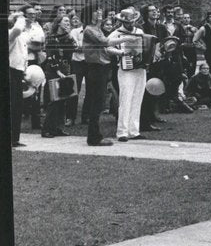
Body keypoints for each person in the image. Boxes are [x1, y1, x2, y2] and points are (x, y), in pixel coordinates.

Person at [107, 8, 153, 142]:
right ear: (122, 21)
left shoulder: (139, 32)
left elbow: (146, 47)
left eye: (133, 21)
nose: (131, 24)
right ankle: (122, 132)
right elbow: (107, 47)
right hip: (125, 67)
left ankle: (134, 130)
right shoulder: (116, 33)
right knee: (125, 98)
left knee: (138, 98)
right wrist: (121, 53)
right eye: (128, 22)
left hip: (140, 69)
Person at [81, 12, 116, 146]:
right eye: (97, 12)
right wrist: (126, 39)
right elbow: (105, 42)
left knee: (99, 103)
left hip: (102, 67)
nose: (100, 14)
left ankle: (95, 136)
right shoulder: (89, 30)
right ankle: (94, 138)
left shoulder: (97, 29)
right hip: (96, 68)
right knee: (97, 103)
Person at [41, 13, 75, 138]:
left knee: (63, 99)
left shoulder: (67, 37)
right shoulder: (51, 38)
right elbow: (50, 56)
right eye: (65, 21)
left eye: (68, 21)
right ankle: (46, 129)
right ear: (59, 23)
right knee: (54, 100)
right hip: (54, 70)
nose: (67, 23)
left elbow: (74, 49)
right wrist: (58, 71)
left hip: (66, 68)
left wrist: (70, 35)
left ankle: (57, 127)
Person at [9, 8, 29, 148]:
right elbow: (17, 29)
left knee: (17, 106)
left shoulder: (21, 37)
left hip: (18, 72)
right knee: (11, 105)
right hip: (9, 71)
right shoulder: (10, 33)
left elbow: (23, 55)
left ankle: (14, 138)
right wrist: (20, 17)